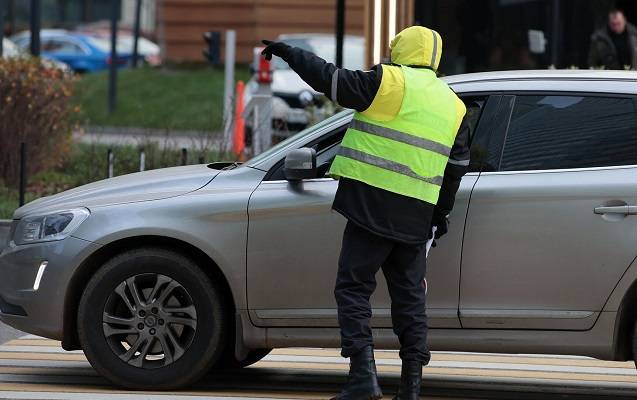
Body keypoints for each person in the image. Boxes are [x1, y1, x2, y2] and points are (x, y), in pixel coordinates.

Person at [262, 25, 470, 400]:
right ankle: (411, 388)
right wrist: (438, 217)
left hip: (373, 205)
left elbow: (331, 79)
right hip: (417, 215)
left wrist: (291, 52)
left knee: (354, 287)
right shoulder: (453, 104)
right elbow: (456, 169)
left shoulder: (388, 82)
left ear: (401, 49)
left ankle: (362, 377)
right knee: (409, 300)